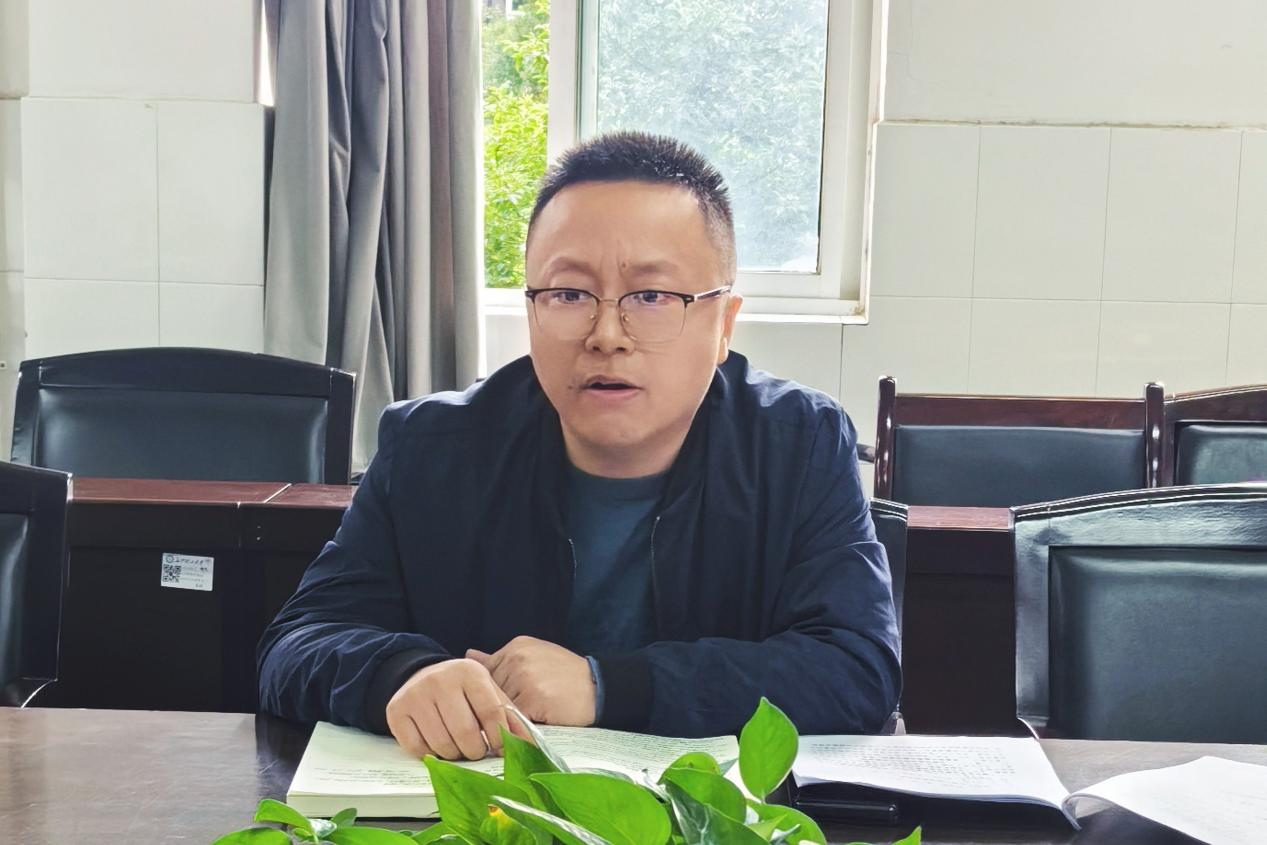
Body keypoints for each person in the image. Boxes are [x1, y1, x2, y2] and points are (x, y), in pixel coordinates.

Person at [258, 131, 900, 761]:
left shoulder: (797, 445)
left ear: (724, 323)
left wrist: (607, 686)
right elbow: (295, 643)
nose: (607, 335)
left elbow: (856, 669)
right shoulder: (430, 448)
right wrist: (400, 674)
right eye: (568, 294)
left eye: (652, 296)